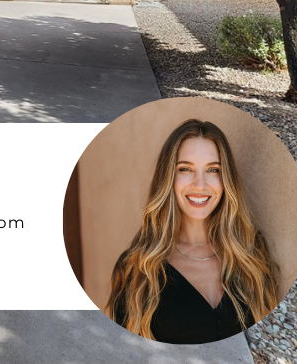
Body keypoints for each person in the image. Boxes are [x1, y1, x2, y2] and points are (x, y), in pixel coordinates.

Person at [106, 119, 278, 343]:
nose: (200, 184)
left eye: (213, 170)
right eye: (185, 169)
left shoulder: (251, 251)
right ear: (169, 178)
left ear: (226, 179)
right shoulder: (136, 268)